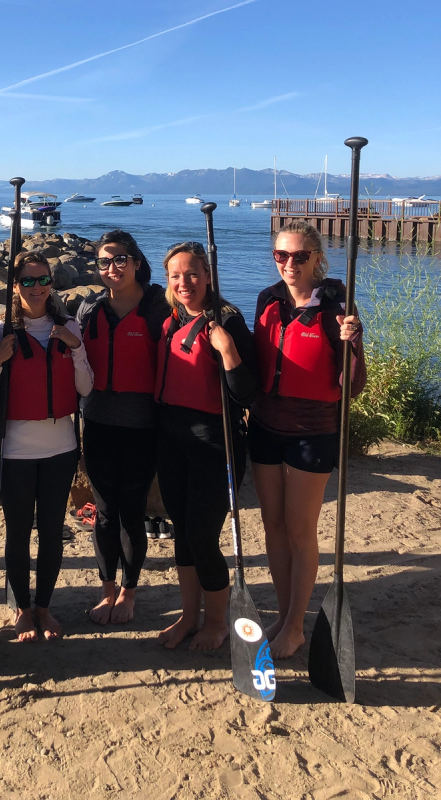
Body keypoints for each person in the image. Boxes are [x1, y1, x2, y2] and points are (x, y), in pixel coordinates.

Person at [249, 220, 365, 658]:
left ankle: (296, 626)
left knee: (300, 530)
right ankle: (284, 613)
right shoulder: (266, 301)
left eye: (300, 256)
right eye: (281, 255)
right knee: (272, 526)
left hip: (312, 431)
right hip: (264, 427)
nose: (290, 264)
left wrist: (353, 344)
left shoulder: (338, 307)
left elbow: (351, 386)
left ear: (317, 258)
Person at [154, 242, 258, 651]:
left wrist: (227, 351)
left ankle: (216, 621)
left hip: (216, 443)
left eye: (193, 274)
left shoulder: (227, 323)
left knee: (201, 537)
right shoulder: (172, 318)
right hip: (171, 439)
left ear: (208, 277)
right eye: (176, 275)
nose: (184, 283)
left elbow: (248, 393)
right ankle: (187, 615)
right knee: (182, 534)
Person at [0, 251, 94, 641]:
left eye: (43, 279)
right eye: (27, 280)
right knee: (17, 533)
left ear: (51, 282)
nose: (37, 287)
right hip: (14, 450)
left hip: (60, 449)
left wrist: (76, 347)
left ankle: (44, 608)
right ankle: (20, 608)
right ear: (15, 286)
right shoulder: (0, 332)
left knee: (51, 531)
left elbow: (85, 387)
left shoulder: (68, 327)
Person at [76, 230, 171, 624]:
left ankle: (129, 593)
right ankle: (107, 590)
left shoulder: (159, 307)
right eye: (103, 262)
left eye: (119, 260)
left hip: (142, 427)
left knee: (131, 512)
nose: (111, 268)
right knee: (103, 513)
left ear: (135, 262)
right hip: (98, 423)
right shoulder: (89, 309)